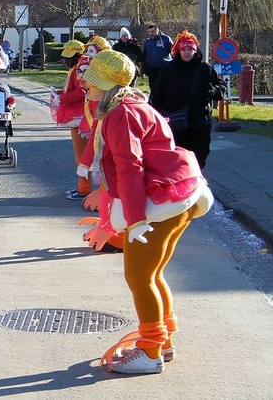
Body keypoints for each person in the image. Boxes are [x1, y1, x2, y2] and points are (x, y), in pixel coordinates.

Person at [79, 49, 214, 374]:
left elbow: (130, 166)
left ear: (109, 85)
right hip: (178, 193)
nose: (87, 86)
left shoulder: (119, 113)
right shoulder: (134, 104)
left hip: (160, 202)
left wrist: (137, 219)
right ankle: (162, 342)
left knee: (139, 276)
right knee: (152, 275)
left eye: (92, 81)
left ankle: (151, 351)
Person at [150, 30, 226, 169]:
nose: (186, 52)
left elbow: (221, 87)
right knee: (179, 160)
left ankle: (196, 184)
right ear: (179, 51)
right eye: (183, 49)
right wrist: (157, 116)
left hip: (200, 124)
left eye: (190, 49)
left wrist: (213, 92)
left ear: (195, 51)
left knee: (200, 157)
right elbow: (156, 94)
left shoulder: (205, 69)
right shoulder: (169, 70)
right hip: (176, 124)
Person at [49, 40, 90, 199]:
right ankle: (81, 186)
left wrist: (62, 98)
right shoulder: (76, 68)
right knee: (80, 154)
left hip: (80, 117)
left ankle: (84, 189)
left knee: (82, 155)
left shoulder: (80, 69)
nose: (66, 60)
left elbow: (80, 93)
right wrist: (60, 93)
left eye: (68, 57)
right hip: (78, 116)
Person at [142, 24, 173, 92]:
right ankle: (153, 101)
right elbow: (144, 56)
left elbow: (173, 51)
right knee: (153, 87)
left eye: (153, 31)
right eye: (149, 32)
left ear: (157, 30)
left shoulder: (165, 39)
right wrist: (143, 70)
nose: (151, 33)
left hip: (163, 67)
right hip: (151, 69)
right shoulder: (147, 42)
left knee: (164, 86)